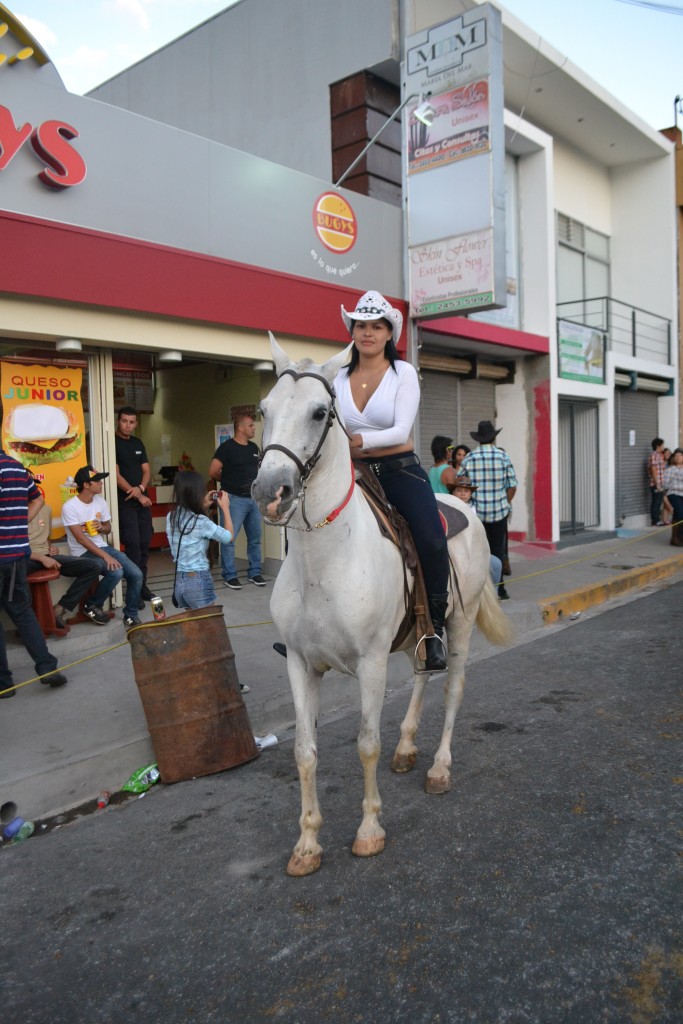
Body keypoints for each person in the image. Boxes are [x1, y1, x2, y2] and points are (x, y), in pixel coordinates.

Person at [335, 289, 450, 671]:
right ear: (352, 331)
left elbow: (402, 430)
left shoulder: (404, 373)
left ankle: (433, 629)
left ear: (389, 334)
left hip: (399, 471)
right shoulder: (337, 376)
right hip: (353, 472)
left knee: (432, 540)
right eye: (361, 325)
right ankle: (312, 629)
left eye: (376, 326)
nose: (367, 332)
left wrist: (359, 440)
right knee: (308, 527)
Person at [165, 471, 249, 693]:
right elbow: (229, 537)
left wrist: (204, 503)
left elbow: (189, 530)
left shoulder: (171, 517)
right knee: (213, 639)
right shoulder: (201, 521)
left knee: (195, 636)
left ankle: (198, 680)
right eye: (202, 492)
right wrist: (225, 508)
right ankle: (225, 685)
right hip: (198, 583)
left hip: (180, 584)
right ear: (195, 493)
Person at [0, 448, 68, 697]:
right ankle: (47, 667)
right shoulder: (16, 467)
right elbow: (37, 498)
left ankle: (4, 684)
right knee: (22, 611)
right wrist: (18, 522)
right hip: (15, 556)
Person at [62, 465, 144, 629]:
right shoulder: (70, 507)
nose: (101, 483)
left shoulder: (100, 501)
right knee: (116, 572)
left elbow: (108, 528)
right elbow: (81, 539)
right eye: (97, 481)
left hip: (102, 546)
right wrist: (106, 556)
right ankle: (91, 605)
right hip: (83, 552)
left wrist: (101, 527)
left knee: (136, 574)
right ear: (86, 485)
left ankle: (130, 615)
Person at [459, 420, 517, 601]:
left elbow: (461, 483)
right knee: (498, 551)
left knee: (479, 552)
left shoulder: (469, 458)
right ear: (493, 438)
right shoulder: (503, 457)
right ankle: (499, 590)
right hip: (499, 512)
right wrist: (505, 502)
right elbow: (513, 485)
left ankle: (480, 590)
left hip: (477, 514)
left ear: (478, 439)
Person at [208, 413, 265, 590]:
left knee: (255, 539)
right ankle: (230, 575)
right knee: (229, 539)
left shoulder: (254, 447)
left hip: (253, 500)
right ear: (240, 428)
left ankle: (255, 572)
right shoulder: (226, 448)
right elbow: (213, 471)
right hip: (234, 499)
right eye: (250, 425)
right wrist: (228, 482)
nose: (253, 428)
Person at [28, 502, 103, 629]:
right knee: (14, 578)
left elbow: (47, 537)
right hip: (25, 559)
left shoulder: (46, 509)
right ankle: (32, 623)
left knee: (93, 566)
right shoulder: (11, 509)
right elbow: (11, 549)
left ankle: (60, 608)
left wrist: (50, 547)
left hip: (47, 556)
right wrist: (41, 557)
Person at [115, 406, 155, 604]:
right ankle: (134, 591)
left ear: (136, 423)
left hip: (142, 501)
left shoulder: (138, 442)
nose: (127, 425)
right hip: (126, 503)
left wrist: (141, 488)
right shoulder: (112, 442)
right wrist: (137, 494)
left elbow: (147, 471)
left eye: (131, 422)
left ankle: (142, 586)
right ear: (118, 421)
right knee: (132, 546)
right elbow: (116, 475)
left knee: (144, 544)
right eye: (124, 421)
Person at [452, 476, 503, 587]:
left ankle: (493, 597)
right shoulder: (450, 509)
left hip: (474, 551)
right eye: (459, 490)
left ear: (470, 494)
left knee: (496, 564)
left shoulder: (475, 510)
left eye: (466, 491)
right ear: (453, 492)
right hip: (456, 552)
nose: (462, 494)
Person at [663, 448, 683, 547]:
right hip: (674, 493)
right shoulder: (670, 470)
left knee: (678, 514)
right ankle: (678, 536)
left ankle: (676, 538)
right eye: (676, 456)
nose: (678, 458)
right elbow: (665, 485)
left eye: (680, 456)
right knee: (680, 513)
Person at [647, 437, 667, 527]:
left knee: (659, 502)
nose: (663, 447)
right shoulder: (654, 455)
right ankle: (655, 520)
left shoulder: (660, 455)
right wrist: (657, 484)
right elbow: (653, 470)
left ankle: (657, 519)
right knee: (656, 501)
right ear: (657, 446)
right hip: (655, 484)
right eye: (662, 445)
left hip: (661, 483)